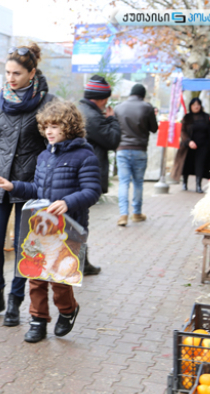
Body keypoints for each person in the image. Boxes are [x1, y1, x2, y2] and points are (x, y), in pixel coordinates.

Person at [0, 100, 102, 343]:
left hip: (68, 226)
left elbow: (93, 190)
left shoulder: (84, 155)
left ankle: (68, 310)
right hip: (41, 225)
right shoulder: (44, 156)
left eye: (55, 126)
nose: (49, 131)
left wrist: (69, 202)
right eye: (46, 127)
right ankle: (37, 320)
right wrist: (13, 186)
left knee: (59, 279)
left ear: (69, 127)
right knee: (36, 275)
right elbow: (36, 189)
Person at [0, 43, 55, 327]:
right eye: (7, 72)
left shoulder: (48, 102)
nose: (10, 78)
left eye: (17, 73)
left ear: (32, 72)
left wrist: (48, 183)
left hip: (28, 185)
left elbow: (53, 147)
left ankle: (14, 301)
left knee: (24, 246)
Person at [77, 75, 121, 274]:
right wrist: (112, 119)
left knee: (78, 219)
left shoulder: (80, 109)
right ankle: (80, 263)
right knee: (80, 221)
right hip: (86, 176)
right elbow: (112, 140)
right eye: (106, 100)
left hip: (78, 174)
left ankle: (81, 262)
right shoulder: (93, 116)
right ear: (101, 99)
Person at [113, 84, 159, 227]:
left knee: (123, 182)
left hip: (122, 149)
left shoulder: (118, 107)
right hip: (140, 150)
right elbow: (154, 129)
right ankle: (137, 213)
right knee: (138, 183)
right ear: (143, 95)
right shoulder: (147, 107)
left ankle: (123, 215)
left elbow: (114, 128)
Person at [171, 98, 210, 193]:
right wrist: (188, 141)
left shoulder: (205, 117)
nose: (196, 106)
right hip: (188, 146)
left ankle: (198, 185)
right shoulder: (187, 117)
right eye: (194, 105)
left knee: (200, 165)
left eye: (198, 104)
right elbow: (183, 131)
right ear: (190, 106)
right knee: (187, 164)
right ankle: (184, 182)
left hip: (203, 146)